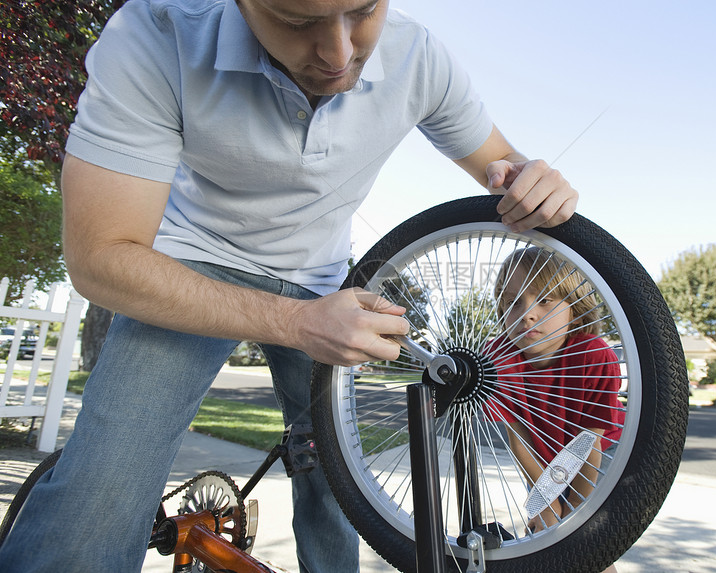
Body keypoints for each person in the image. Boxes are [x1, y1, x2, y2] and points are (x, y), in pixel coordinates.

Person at [0, 1, 579, 572]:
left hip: (324, 280)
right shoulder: (156, 35)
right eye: (299, 22)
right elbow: (100, 259)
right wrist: (294, 323)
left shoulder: (418, 56)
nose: (338, 53)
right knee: (100, 496)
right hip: (189, 268)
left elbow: (500, 162)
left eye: (362, 11)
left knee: (338, 492)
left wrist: (530, 181)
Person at [485, 247, 625, 569]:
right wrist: (545, 504)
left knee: (589, 547)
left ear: (575, 308)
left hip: (599, 455)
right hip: (541, 454)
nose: (527, 313)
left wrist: (575, 509)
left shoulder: (593, 355)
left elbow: (589, 442)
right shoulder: (500, 360)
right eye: (512, 302)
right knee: (547, 532)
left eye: (544, 300)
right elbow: (519, 437)